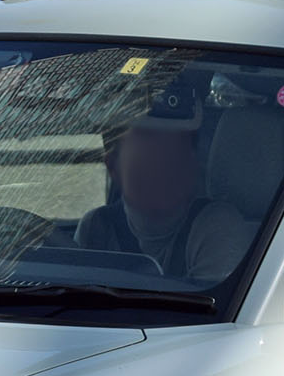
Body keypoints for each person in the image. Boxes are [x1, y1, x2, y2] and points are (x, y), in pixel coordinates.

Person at [75, 83, 251, 279]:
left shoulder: (216, 225)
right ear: (113, 166)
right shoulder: (97, 227)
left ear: (192, 163)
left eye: (174, 154)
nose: (162, 167)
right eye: (147, 156)